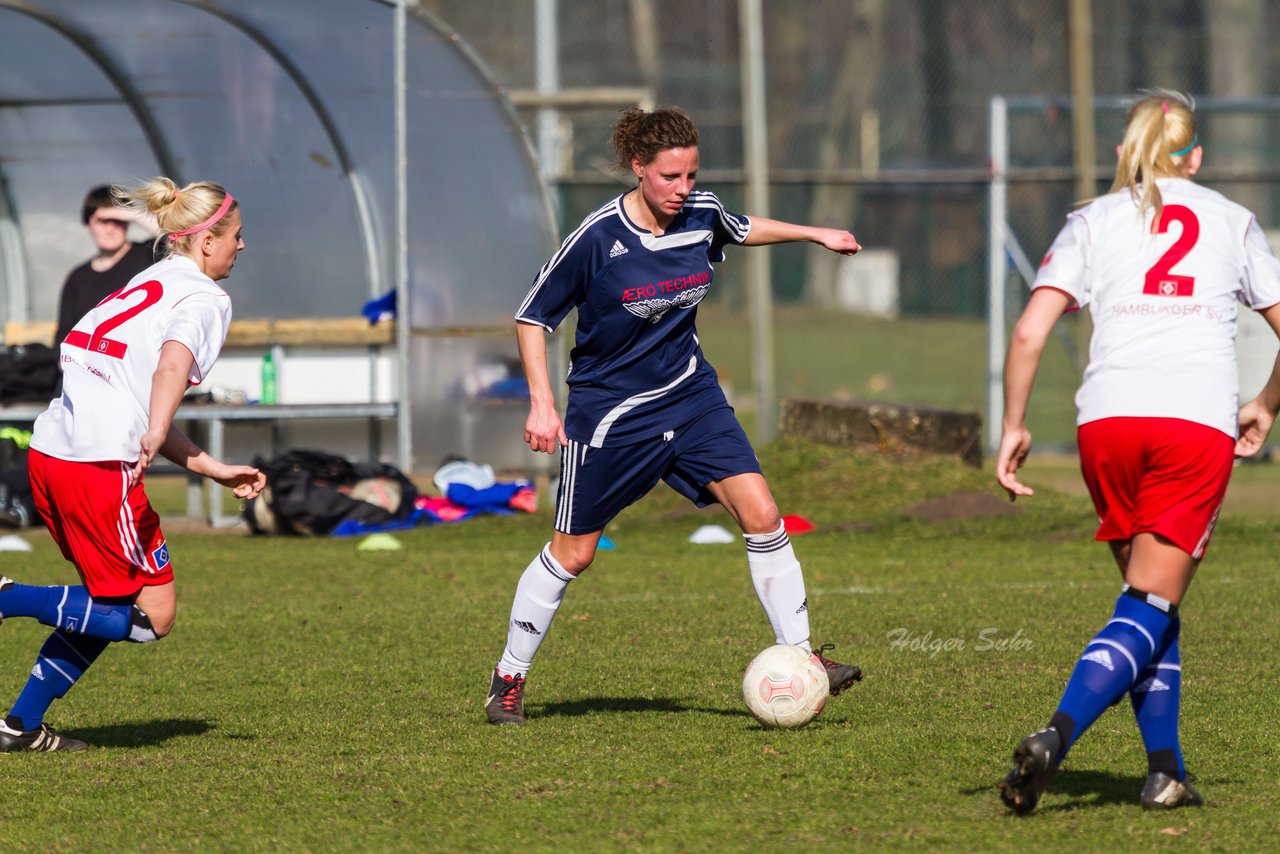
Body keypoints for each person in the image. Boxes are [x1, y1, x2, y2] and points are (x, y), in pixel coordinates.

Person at [485, 106, 865, 725]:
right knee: (574, 554)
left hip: (691, 398)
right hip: (612, 415)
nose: (683, 190)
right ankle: (508, 677)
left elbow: (741, 227)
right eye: (670, 178)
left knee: (763, 513)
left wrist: (814, 233)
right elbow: (532, 316)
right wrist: (542, 401)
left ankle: (802, 659)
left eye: (691, 175)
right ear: (639, 169)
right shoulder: (597, 238)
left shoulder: (699, 214)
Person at [995, 90, 1280, 812]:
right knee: (1151, 601)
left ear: (1125, 151)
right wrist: (1266, 405)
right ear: (1198, 158)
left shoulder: (1091, 220)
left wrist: (1014, 424)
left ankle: (1165, 771)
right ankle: (1056, 735)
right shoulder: (1231, 219)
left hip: (1107, 424)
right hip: (1190, 422)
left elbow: (1030, 331)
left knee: (1148, 603)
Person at [0, 177, 265, 752]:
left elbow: (135, 397)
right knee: (151, 618)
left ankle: (19, 726)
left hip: (52, 456)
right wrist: (155, 427)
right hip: (97, 470)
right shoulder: (204, 298)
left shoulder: (148, 279)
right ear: (205, 241)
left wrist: (211, 467)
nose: (241, 247)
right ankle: (8, 598)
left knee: (107, 599)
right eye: (237, 236)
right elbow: (171, 370)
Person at [54, 185, 159, 348]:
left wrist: (133, 212)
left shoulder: (149, 255)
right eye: (103, 221)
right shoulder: (78, 277)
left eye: (118, 221)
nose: (110, 229)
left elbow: (177, 239)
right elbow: (64, 334)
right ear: (88, 224)